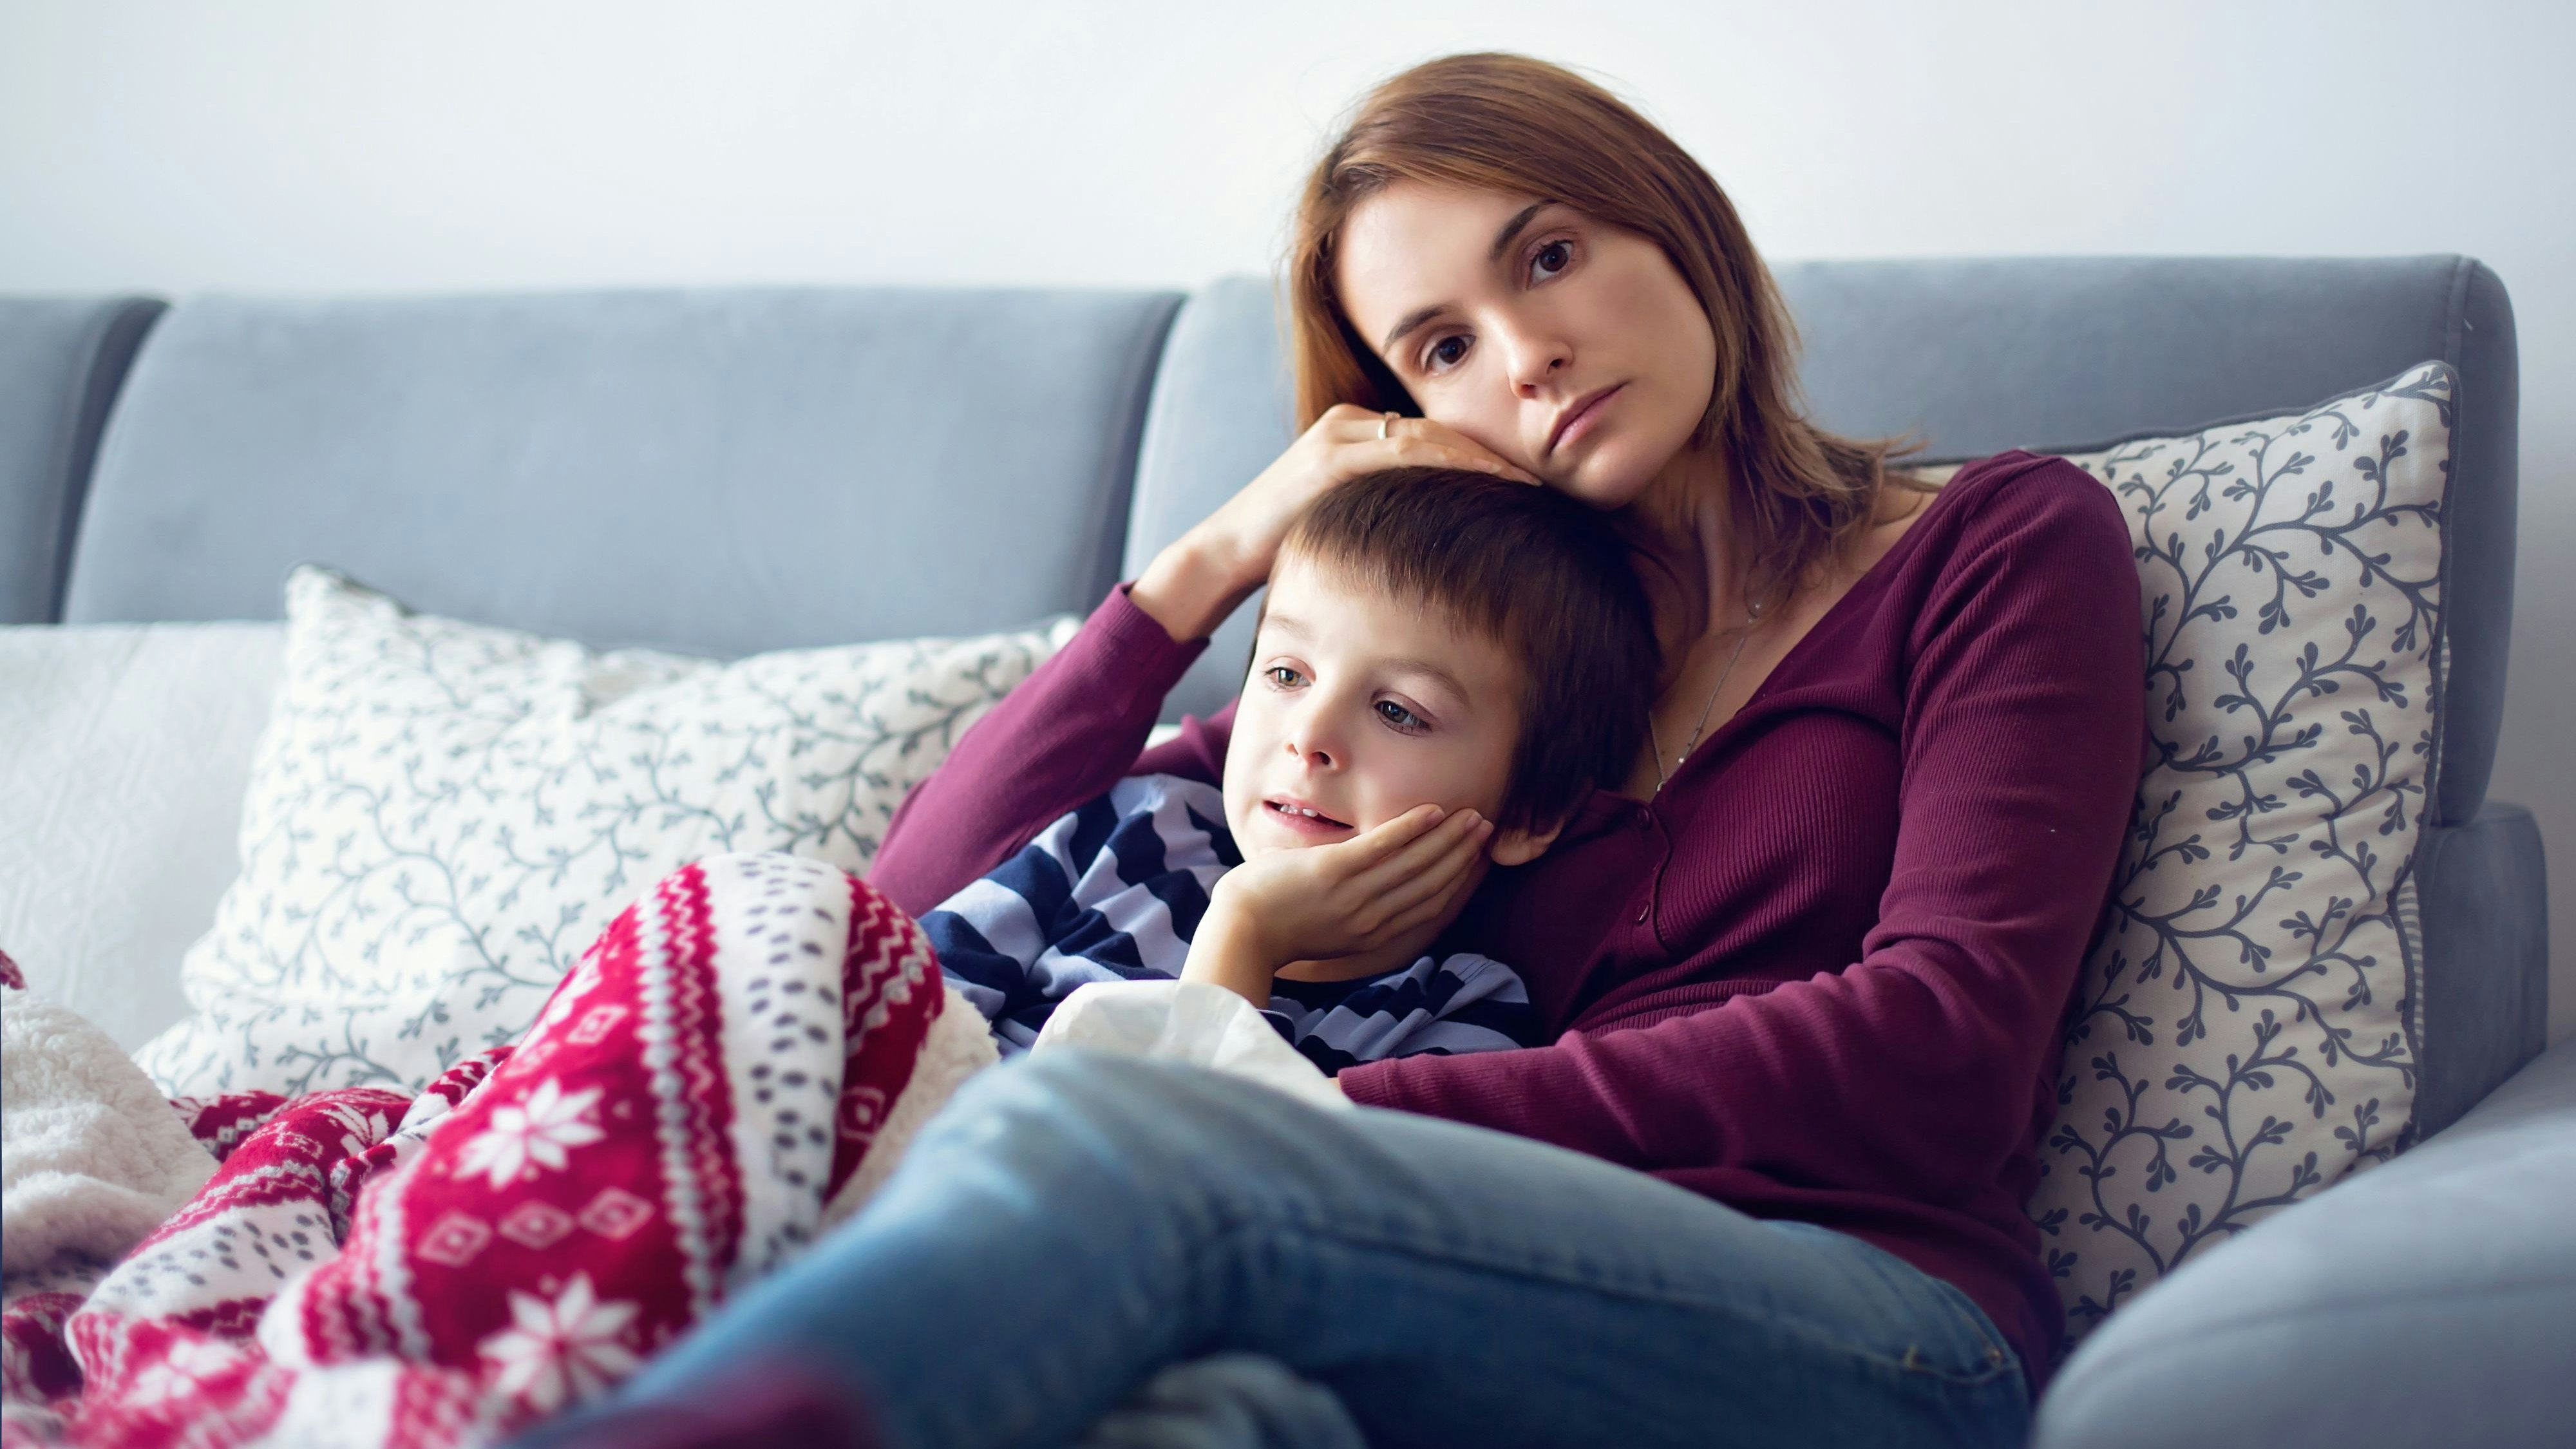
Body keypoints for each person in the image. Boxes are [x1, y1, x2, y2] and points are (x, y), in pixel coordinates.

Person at [522, 50, 2146, 1449]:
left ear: (1677, 223)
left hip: (1873, 1322)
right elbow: (918, 906)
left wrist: (1311, 1118)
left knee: (1119, 1132)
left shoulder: (1993, 545)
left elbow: (1945, 1046)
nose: (1523, 353)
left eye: (1550, 255)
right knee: (1202, 1419)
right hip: (1436, 1290)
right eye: (1440, 347)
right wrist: (1215, 559)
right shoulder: (1443, 685)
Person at [928, 464, 1658, 1072]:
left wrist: (1245, 934)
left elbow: (1183, 1175)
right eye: (1285, 674)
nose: (1309, 737)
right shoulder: (1128, 831)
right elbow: (892, 1014)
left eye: (1398, 712)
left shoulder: (1460, 1022)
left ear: (1529, 811)